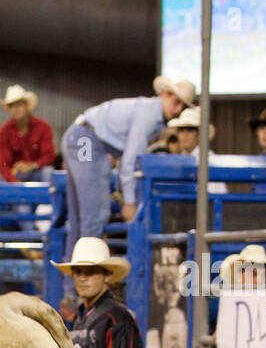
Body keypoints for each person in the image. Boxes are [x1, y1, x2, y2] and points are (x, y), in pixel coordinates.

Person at [61, 77, 196, 265]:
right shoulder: (149, 115)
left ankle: (72, 286)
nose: (178, 109)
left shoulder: (150, 113)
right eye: (176, 102)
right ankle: (86, 276)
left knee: (81, 217)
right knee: (95, 215)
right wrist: (130, 202)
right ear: (166, 94)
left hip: (83, 139)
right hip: (87, 141)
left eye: (183, 106)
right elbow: (130, 161)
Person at [0, 85, 55, 184]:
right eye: (12, 106)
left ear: (27, 106)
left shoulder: (43, 127)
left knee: (48, 172)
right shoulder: (3, 132)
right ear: (9, 109)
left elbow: (49, 156)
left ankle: (49, 199)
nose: (16, 109)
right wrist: (14, 180)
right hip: (16, 174)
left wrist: (32, 165)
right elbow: (3, 164)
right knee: (4, 181)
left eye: (19, 105)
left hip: (37, 171)